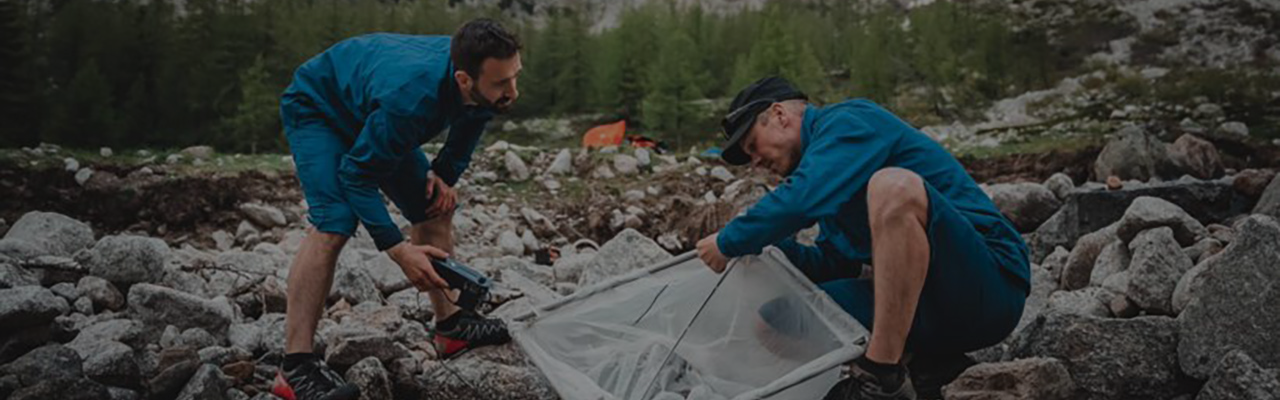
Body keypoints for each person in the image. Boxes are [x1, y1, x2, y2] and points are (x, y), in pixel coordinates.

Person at [696, 77, 1029, 400]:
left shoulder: (849, 121)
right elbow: (833, 263)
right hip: (918, 310)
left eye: (753, 146)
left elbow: (802, 198)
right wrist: (770, 250)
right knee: (772, 324)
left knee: (892, 187)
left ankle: (881, 377)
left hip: (988, 287)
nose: (755, 162)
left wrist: (730, 240)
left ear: (780, 115)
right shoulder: (825, 175)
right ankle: (928, 368)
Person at [273, 18, 522, 400]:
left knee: (434, 205)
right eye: (502, 83)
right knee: (335, 222)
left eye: (515, 76)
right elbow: (356, 175)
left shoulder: (481, 70)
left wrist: (445, 172)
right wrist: (397, 248)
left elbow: (476, 115)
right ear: (463, 79)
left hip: (374, 108)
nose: (513, 91)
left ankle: (451, 327)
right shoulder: (412, 98)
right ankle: (295, 368)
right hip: (319, 107)